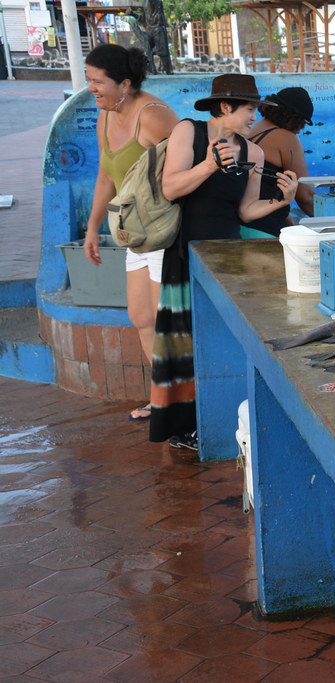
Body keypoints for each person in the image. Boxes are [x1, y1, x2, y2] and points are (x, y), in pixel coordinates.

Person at [152, 74, 299, 449]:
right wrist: (209, 165)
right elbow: (170, 188)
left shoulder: (254, 152)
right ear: (225, 106)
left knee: (223, 337)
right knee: (185, 339)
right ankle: (185, 426)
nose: (254, 116)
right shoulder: (189, 131)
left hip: (228, 255)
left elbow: (247, 211)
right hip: (187, 250)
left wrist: (283, 200)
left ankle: (222, 422)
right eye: (249, 109)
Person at [83, 44, 179, 423]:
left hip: (163, 232)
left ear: (124, 83)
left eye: (96, 81)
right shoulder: (105, 117)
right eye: (88, 80)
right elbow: (106, 176)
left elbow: (186, 168)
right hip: (133, 234)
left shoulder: (154, 117)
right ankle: (162, 398)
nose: (90, 87)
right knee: (141, 318)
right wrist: (93, 228)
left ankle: (179, 403)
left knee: (165, 322)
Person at [242, 87, 316, 237]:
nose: (300, 130)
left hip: (240, 225)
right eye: (302, 123)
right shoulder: (286, 139)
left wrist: (291, 223)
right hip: (263, 232)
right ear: (293, 117)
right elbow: (305, 197)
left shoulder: (251, 131)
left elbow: (265, 188)